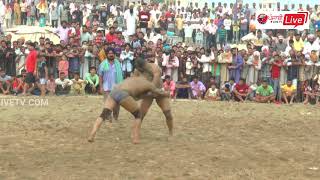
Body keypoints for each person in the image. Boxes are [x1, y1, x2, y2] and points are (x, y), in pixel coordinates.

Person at [88, 75, 169, 144]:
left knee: (104, 114)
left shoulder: (132, 78)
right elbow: (159, 92)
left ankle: (92, 134)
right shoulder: (148, 84)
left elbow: (136, 94)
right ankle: (135, 137)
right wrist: (167, 93)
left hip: (114, 91)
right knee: (139, 114)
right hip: (123, 94)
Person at [98, 48, 123, 120]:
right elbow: (100, 76)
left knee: (117, 104)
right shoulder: (103, 64)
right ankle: (108, 117)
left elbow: (121, 75)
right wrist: (101, 87)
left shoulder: (118, 63)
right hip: (106, 87)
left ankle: (116, 117)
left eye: (112, 53)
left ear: (114, 54)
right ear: (106, 55)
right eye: (109, 53)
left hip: (117, 87)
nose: (111, 55)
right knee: (107, 103)